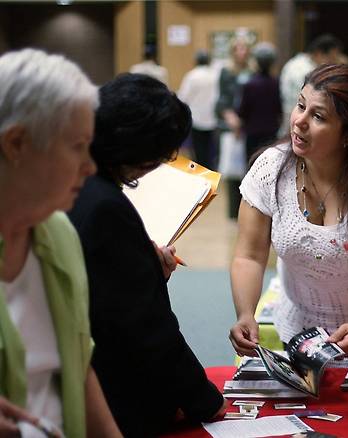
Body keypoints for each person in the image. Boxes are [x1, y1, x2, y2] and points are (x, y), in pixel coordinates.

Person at [229, 64, 348, 369]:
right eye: (300, 106)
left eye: (317, 116)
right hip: (301, 338)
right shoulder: (270, 170)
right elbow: (249, 256)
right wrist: (245, 313)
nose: (299, 122)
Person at [68, 73, 226, 437]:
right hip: (109, 393)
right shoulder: (105, 206)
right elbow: (144, 324)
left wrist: (142, 263)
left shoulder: (71, 178)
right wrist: (203, 400)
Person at [0, 48, 121, 437]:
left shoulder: (59, 232)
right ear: (16, 143)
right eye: (76, 146)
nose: (89, 166)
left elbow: (76, 364)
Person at [215, 34, 253, 219]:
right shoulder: (226, 71)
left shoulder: (252, 71)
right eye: (238, 48)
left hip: (250, 126)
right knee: (232, 172)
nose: (242, 52)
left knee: (249, 170)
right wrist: (231, 118)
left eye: (245, 48)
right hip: (231, 126)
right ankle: (233, 212)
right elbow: (222, 102)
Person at [278, 33, 343, 135]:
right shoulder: (305, 71)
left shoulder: (297, 62)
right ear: (319, 53)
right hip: (297, 128)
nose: (333, 62)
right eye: (332, 57)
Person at [238, 41, 282, 164]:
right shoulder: (277, 82)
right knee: (269, 164)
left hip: (252, 132)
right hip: (271, 131)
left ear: (256, 61)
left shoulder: (250, 84)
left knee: (252, 166)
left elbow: (242, 111)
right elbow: (279, 108)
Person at [178, 49, 220, 170]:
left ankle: (201, 176)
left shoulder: (192, 75)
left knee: (198, 151)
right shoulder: (215, 75)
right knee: (212, 151)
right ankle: (212, 175)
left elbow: (183, 97)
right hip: (213, 118)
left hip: (196, 119)